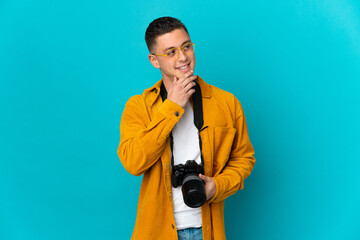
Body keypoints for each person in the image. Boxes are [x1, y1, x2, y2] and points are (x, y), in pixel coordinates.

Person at [117, 16, 255, 240]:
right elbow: (133, 162)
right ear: (154, 60)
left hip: (208, 229)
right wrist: (171, 107)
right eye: (170, 52)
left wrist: (217, 186)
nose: (183, 57)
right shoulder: (138, 107)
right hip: (156, 231)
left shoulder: (227, 103)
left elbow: (244, 159)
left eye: (187, 47)